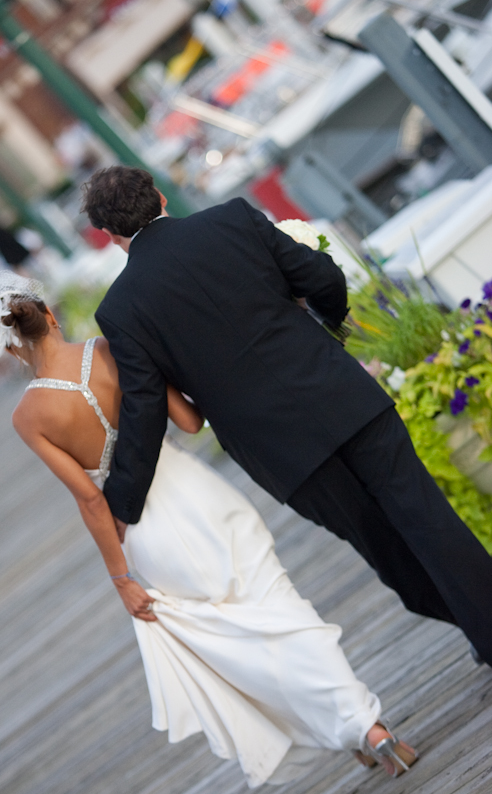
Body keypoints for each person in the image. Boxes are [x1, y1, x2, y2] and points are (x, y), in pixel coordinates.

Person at [0, 271, 418, 787]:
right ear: (49, 315)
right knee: (282, 607)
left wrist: (120, 577)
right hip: (202, 498)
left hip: (149, 534)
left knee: (243, 643)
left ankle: (352, 731)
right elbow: (186, 420)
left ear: (11, 348)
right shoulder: (112, 349)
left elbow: (90, 498)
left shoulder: (30, 416)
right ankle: (365, 727)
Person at [81, 166, 492, 665]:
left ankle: (477, 625)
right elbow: (322, 277)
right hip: (341, 396)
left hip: (280, 452)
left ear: (109, 235)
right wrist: (330, 328)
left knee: (383, 548)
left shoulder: (121, 309)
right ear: (160, 195)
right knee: (426, 515)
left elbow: (145, 408)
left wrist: (122, 500)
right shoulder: (231, 219)